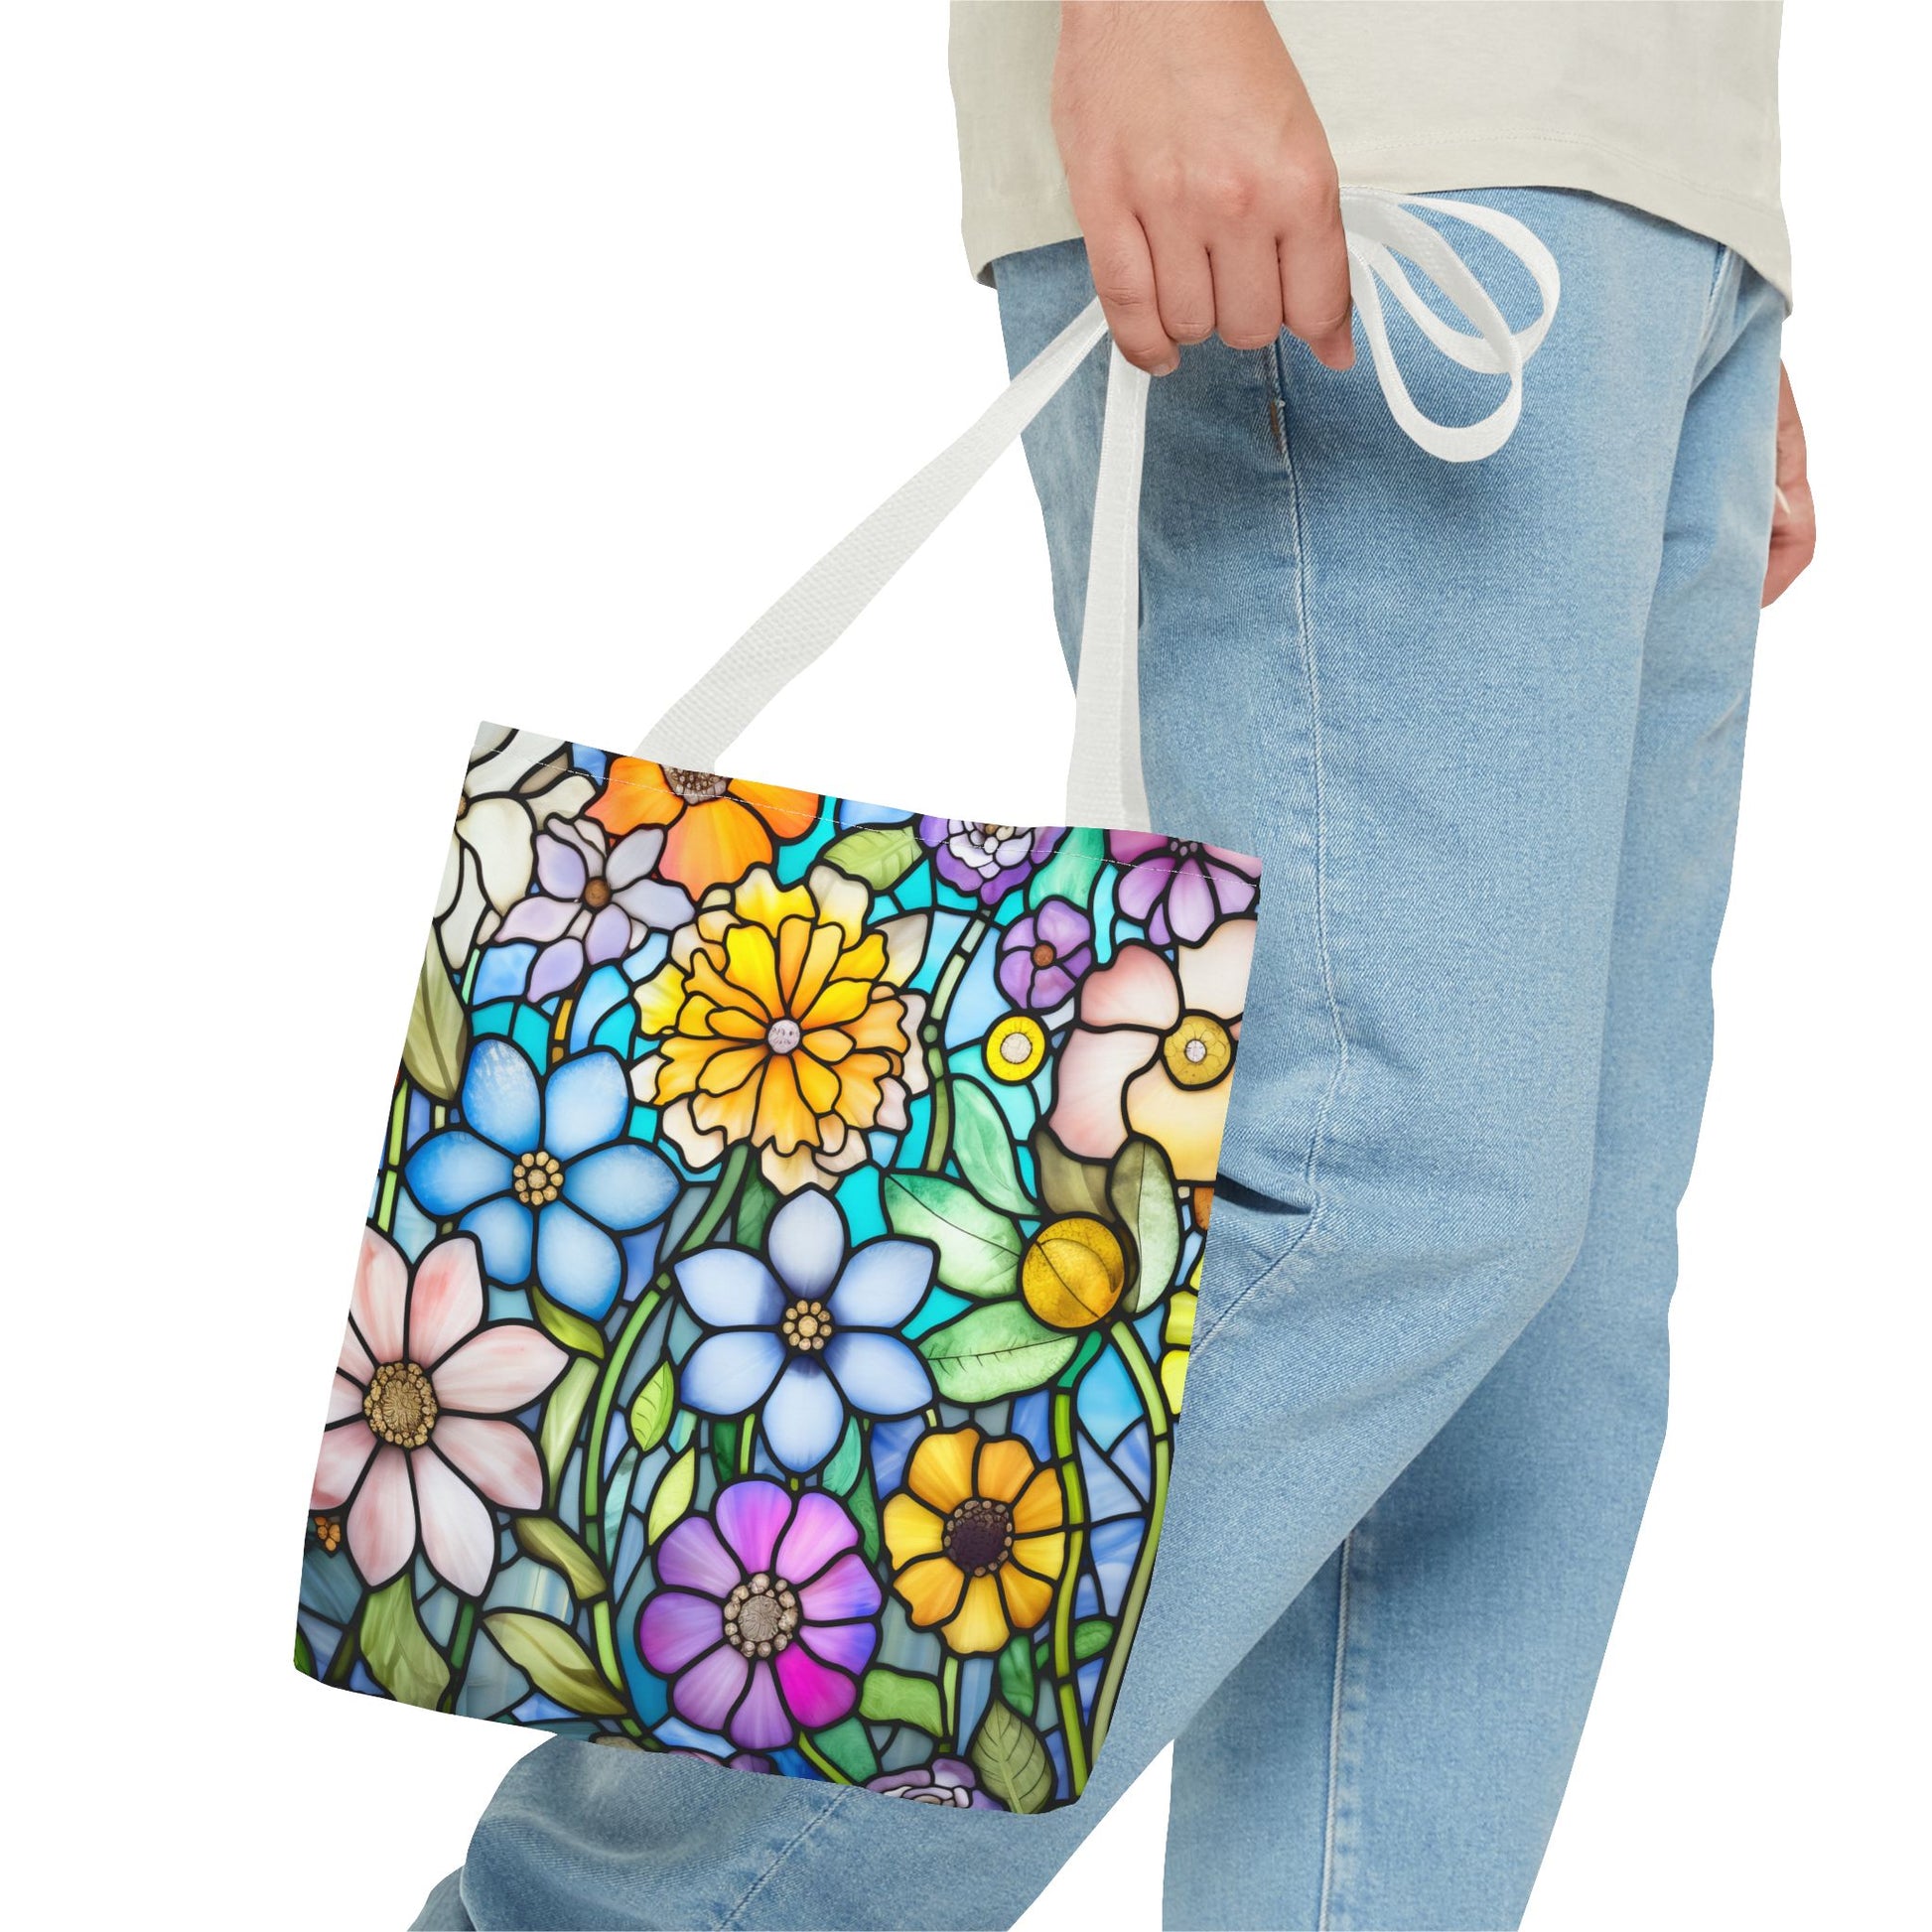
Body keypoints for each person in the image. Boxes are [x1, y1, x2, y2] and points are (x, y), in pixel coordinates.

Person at [415, 4, 1813, 1925]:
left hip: (1635, 181)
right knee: (1369, 1185)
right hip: (1364, 112)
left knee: (1530, 1355)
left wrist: (1697, 228)